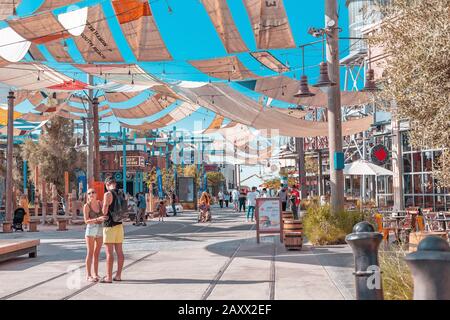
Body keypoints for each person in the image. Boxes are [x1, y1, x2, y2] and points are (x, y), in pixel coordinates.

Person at [101, 177, 125, 283]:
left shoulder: (107, 194)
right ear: (115, 183)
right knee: (119, 252)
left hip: (109, 225)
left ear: (107, 184)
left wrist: (102, 206)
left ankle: (109, 277)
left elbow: (105, 212)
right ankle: (118, 275)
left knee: (109, 253)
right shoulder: (121, 193)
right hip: (119, 225)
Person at [83, 188, 106, 282]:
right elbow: (86, 221)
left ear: (96, 194)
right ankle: (88, 275)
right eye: (89, 193)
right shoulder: (86, 206)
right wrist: (97, 219)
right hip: (91, 229)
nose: (91, 194)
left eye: (93, 192)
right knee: (90, 253)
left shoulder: (100, 203)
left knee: (97, 253)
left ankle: (95, 274)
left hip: (100, 229)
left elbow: (104, 212)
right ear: (87, 195)